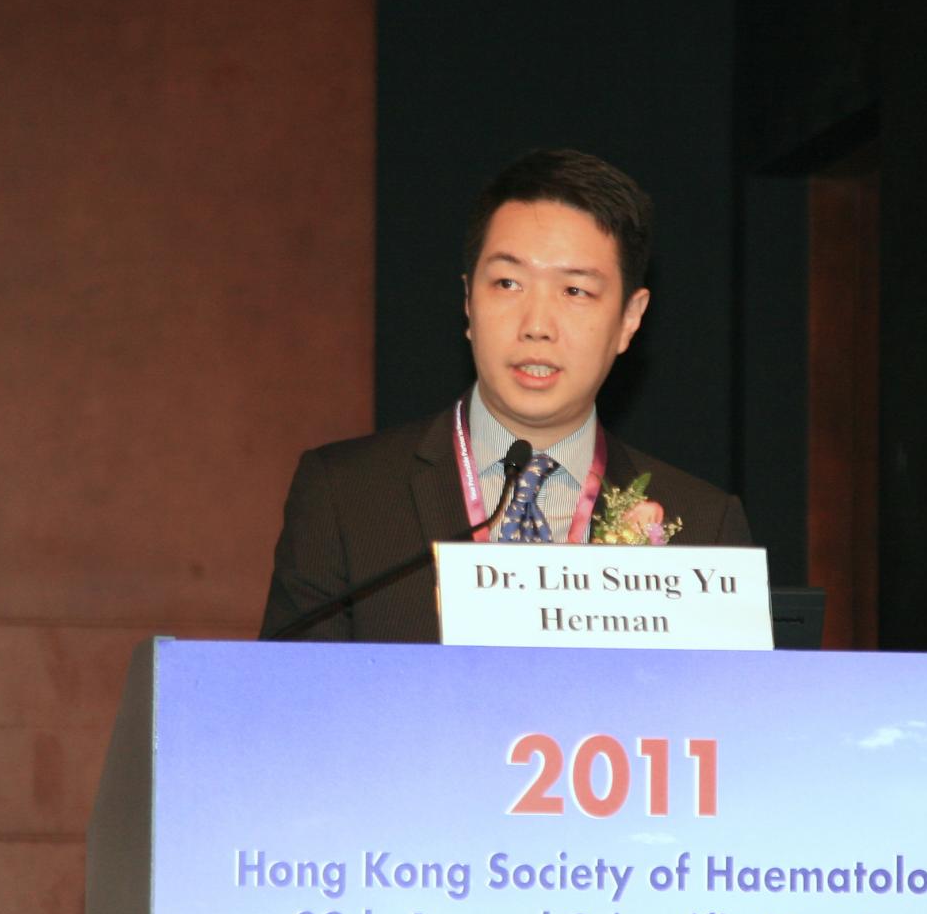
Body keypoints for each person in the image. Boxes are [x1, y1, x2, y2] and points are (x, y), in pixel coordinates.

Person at [259, 149, 752, 641]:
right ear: (468, 301)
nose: (536, 325)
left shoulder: (705, 527)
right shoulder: (344, 497)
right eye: (508, 283)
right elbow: (294, 689)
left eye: (575, 291)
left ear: (629, 318)